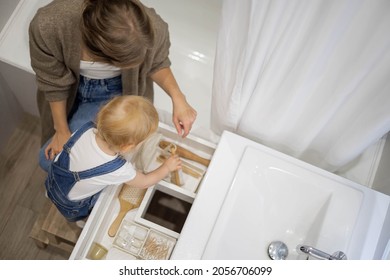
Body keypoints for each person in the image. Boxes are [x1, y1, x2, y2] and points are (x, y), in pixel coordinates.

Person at [28, 0, 197, 169]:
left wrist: (178, 98)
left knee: (72, 163)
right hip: (67, 89)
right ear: (96, 55)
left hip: (118, 90)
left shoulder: (154, 27)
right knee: (50, 162)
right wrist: (61, 130)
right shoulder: (48, 25)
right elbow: (53, 81)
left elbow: (157, 63)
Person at [45, 95, 182, 222]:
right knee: (104, 199)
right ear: (127, 147)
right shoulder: (118, 169)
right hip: (73, 205)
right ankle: (83, 220)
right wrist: (167, 167)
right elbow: (145, 182)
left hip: (53, 180)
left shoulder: (85, 130)